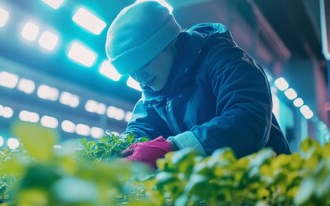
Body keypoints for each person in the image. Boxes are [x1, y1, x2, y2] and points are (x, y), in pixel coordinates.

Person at [104, 1, 291, 168]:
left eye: (144, 63)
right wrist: (121, 153)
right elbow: (141, 131)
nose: (138, 77)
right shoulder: (154, 93)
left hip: (269, 181)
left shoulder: (226, 61)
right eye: (131, 71)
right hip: (220, 189)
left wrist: (174, 147)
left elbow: (249, 121)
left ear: (168, 43)